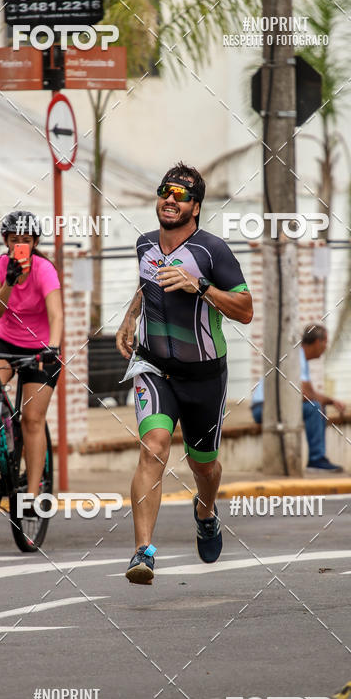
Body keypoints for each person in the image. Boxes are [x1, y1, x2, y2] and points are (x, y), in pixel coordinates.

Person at [116, 162, 253, 585]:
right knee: (154, 446)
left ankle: (206, 512)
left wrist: (202, 288)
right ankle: (143, 552)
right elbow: (146, 284)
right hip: (155, 367)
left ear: (196, 207)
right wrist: (130, 315)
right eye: (165, 192)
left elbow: (246, 310)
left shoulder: (213, 251)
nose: (170, 199)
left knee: (204, 467)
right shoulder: (143, 245)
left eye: (181, 195)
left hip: (205, 376)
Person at [0, 211, 63, 505]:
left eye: (25, 241)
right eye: (14, 240)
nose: (19, 246)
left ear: (35, 242)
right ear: (6, 241)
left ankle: (33, 494)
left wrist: (53, 347)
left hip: (40, 348)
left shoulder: (44, 269)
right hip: (3, 341)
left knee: (31, 419)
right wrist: (10, 282)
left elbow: (56, 314)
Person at [250, 323, 346, 471]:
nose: (326, 347)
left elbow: (308, 393)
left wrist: (331, 401)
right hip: (264, 408)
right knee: (314, 407)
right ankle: (316, 459)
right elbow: (305, 395)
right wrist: (329, 400)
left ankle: (318, 458)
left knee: (317, 406)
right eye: (325, 342)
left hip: (274, 406)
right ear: (316, 342)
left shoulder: (300, 357)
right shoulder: (296, 357)